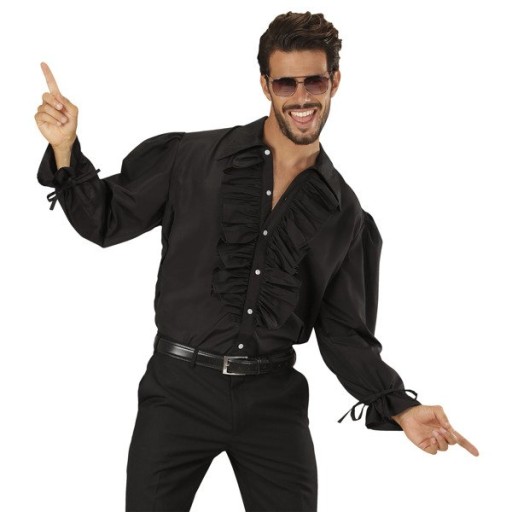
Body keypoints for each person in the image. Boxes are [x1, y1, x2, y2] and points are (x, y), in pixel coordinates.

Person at [34, 11, 479, 512]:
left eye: (314, 81)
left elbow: (343, 336)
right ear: (266, 85)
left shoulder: (344, 214)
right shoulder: (193, 158)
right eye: (286, 83)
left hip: (273, 402)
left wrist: (400, 407)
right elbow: (105, 220)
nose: (302, 97)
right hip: (177, 392)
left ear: (334, 81)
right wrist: (65, 148)